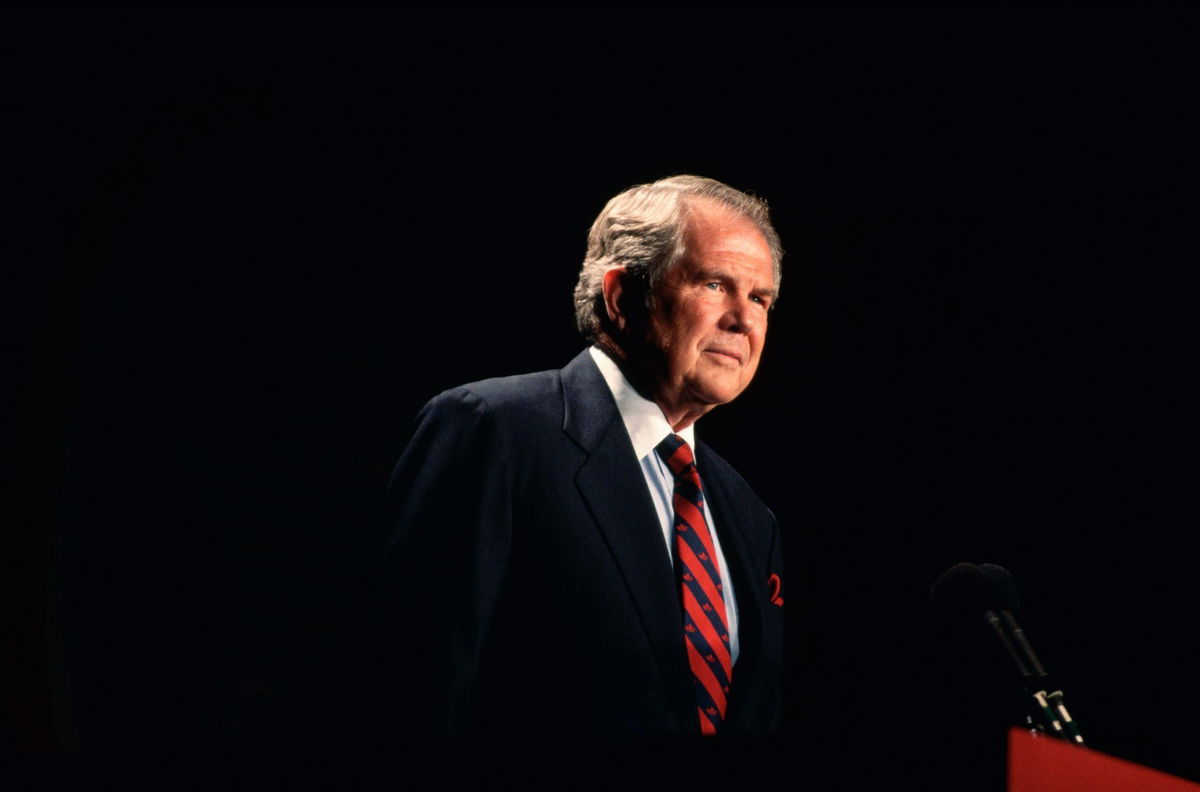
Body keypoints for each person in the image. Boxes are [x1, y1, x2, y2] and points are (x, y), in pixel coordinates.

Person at [370, 175, 785, 738]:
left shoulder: (748, 516)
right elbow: (409, 694)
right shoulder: (495, 432)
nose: (744, 319)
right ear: (620, 297)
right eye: (714, 284)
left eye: (760, 298)